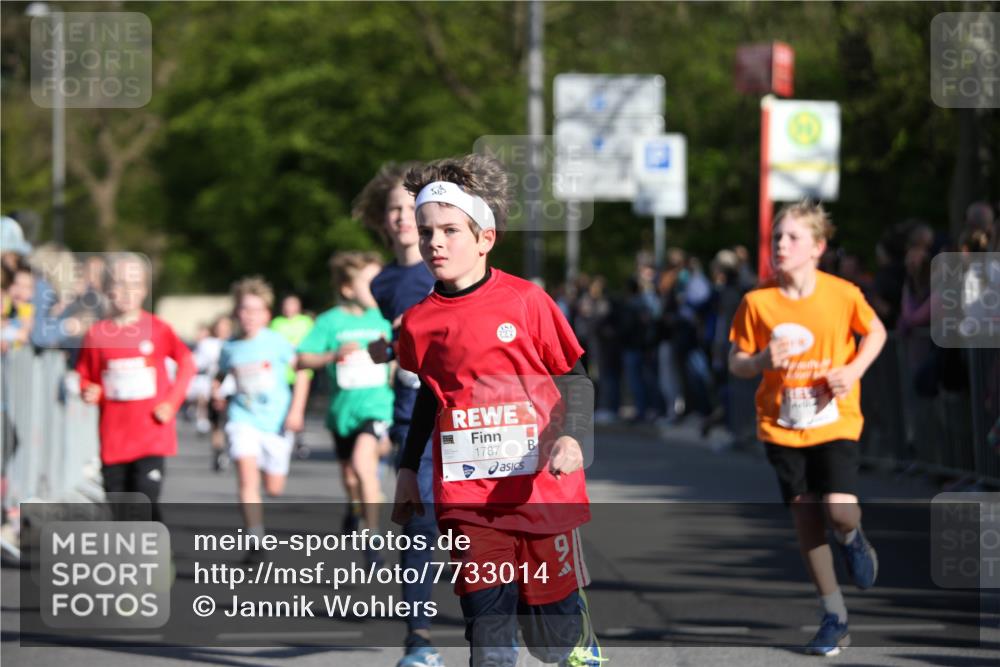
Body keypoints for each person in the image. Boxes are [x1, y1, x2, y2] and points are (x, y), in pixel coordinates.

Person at [391, 154, 602, 667]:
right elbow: (430, 395)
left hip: (539, 488)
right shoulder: (418, 323)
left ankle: (576, 637)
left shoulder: (526, 301)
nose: (435, 243)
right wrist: (406, 469)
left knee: (552, 643)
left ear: (485, 238)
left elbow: (574, 377)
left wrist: (573, 436)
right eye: (426, 232)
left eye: (449, 231)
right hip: (468, 498)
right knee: (489, 636)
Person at [728, 201, 886, 656]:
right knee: (805, 515)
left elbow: (876, 332)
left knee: (839, 510)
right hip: (782, 425)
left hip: (834, 419)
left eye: (792, 237)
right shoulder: (757, 301)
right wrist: (760, 360)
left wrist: (853, 370)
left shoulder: (842, 294)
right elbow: (736, 362)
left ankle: (852, 537)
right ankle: (834, 615)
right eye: (777, 236)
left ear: (817, 247)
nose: (781, 244)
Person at [354, 162, 445, 667]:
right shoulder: (383, 283)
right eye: (393, 209)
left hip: (463, 416)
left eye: (411, 208)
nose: (402, 217)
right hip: (411, 415)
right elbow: (405, 343)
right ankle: (419, 637)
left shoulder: (446, 266)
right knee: (418, 521)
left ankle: (501, 620)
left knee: (476, 526)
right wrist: (387, 350)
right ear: (382, 220)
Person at [76, 253, 196, 521]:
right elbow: (85, 375)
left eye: (134, 284)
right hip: (114, 440)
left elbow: (187, 363)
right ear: (107, 289)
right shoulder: (96, 334)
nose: (127, 291)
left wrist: (171, 403)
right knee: (122, 512)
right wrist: (89, 390)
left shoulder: (158, 329)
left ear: (144, 290)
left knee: (144, 501)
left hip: (151, 435)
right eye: (119, 284)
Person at [293, 251, 393, 563]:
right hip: (342, 412)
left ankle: (372, 537)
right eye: (370, 283)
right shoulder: (329, 321)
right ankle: (354, 506)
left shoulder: (385, 318)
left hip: (377, 406)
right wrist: (332, 355)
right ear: (348, 289)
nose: (378, 289)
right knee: (350, 478)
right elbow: (302, 359)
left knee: (363, 465)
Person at [214, 277, 309, 562]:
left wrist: (296, 411)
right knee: (246, 477)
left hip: (277, 421)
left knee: (274, 487)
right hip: (242, 417)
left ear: (267, 314)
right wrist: (217, 391)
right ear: (236, 312)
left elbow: (302, 373)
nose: (249, 316)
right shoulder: (229, 347)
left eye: (256, 310)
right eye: (244, 309)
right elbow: (221, 375)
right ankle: (255, 539)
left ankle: (268, 489)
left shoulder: (277, 342)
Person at [270, 294, 315, 460]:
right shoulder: (276, 323)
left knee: (301, 405)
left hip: (303, 371)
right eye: (286, 305)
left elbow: (313, 342)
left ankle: (300, 437)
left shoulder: (306, 322)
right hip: (283, 374)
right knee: (284, 405)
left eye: (292, 304)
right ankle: (285, 436)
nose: (289, 308)